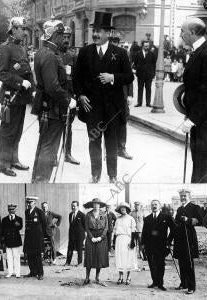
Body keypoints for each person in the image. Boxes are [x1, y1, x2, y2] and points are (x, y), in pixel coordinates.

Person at [73, 11, 134, 183]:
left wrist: (113, 77)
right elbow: (76, 78)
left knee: (112, 142)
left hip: (113, 108)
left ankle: (113, 175)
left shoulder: (120, 53)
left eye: (99, 31)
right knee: (94, 141)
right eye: (94, 30)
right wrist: (80, 95)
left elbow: (129, 77)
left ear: (109, 33)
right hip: (92, 107)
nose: (95, 34)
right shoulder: (85, 52)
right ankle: (95, 174)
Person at [180, 17, 207, 183]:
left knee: (203, 169)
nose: (181, 35)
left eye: (182, 31)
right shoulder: (198, 52)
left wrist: (192, 119)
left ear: (192, 32)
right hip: (199, 121)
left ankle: (203, 205)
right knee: (197, 166)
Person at [31, 18, 77, 183]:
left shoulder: (43, 52)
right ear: (53, 36)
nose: (62, 37)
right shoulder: (51, 56)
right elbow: (52, 86)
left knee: (44, 144)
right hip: (52, 108)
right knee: (50, 147)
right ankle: (41, 180)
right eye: (59, 34)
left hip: (46, 106)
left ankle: (37, 179)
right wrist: (68, 100)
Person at [0, 17, 34, 177]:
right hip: (9, 97)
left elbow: (27, 71)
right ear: (13, 29)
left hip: (21, 97)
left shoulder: (22, 48)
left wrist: (32, 88)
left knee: (17, 130)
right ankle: (3, 164)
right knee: (8, 131)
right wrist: (19, 82)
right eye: (22, 29)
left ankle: (14, 159)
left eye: (25, 29)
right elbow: (0, 72)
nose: (25, 32)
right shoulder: (5, 48)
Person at [173, 189, 203, 294]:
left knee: (189, 263)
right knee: (181, 262)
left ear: (189, 196)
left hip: (189, 238)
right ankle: (184, 283)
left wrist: (188, 220)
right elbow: (176, 223)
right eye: (181, 196)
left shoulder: (195, 207)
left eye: (185, 196)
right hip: (179, 239)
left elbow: (200, 221)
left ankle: (191, 286)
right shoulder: (179, 209)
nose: (183, 198)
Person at [142, 200, 175, 291]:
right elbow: (144, 232)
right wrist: (143, 245)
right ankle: (154, 282)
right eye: (152, 205)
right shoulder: (147, 218)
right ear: (150, 207)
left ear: (159, 206)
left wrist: (169, 241)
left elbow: (173, 229)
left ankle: (160, 283)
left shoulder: (166, 217)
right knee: (151, 264)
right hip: (150, 245)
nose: (154, 206)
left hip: (161, 245)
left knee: (160, 264)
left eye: (156, 205)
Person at [109, 33, 133, 160]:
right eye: (112, 41)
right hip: (108, 94)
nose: (115, 43)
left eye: (117, 41)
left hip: (122, 94)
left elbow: (129, 76)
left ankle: (121, 148)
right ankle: (110, 149)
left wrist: (130, 94)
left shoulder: (124, 55)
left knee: (123, 121)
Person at [59, 26, 80, 165]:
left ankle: (67, 153)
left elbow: (77, 76)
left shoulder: (72, 56)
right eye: (64, 37)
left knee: (68, 126)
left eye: (68, 37)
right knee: (52, 127)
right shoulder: (53, 54)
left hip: (69, 95)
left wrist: (76, 95)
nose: (66, 40)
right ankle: (52, 156)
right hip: (55, 95)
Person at [83, 198, 109, 285]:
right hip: (91, 237)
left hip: (101, 238)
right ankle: (87, 277)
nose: (96, 205)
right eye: (94, 204)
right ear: (92, 205)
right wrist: (91, 237)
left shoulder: (104, 214)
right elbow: (86, 227)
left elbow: (106, 227)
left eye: (97, 204)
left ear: (100, 205)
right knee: (89, 257)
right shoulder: (88, 215)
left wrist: (101, 237)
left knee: (99, 257)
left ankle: (97, 277)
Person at [23, 196, 46, 280]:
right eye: (28, 202)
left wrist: (40, 235)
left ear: (35, 203)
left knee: (37, 256)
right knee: (30, 255)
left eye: (30, 202)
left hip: (37, 238)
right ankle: (33, 272)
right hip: (29, 237)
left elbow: (44, 224)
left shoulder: (39, 212)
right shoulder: (26, 212)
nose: (29, 204)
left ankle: (40, 273)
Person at [113, 202, 136, 285]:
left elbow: (133, 231)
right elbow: (115, 231)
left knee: (128, 258)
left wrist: (132, 241)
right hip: (119, 239)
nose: (122, 209)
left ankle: (128, 277)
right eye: (121, 208)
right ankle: (120, 277)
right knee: (120, 258)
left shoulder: (131, 219)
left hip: (128, 239)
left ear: (127, 209)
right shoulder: (118, 219)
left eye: (124, 208)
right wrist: (113, 242)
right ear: (119, 209)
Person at [1, 204, 23, 278]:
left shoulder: (19, 219)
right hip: (8, 241)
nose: (11, 211)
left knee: (16, 257)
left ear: (15, 210)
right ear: (8, 210)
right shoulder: (4, 219)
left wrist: (14, 220)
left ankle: (17, 272)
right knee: (9, 258)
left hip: (15, 241)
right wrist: (3, 241)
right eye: (10, 209)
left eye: (12, 209)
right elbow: (2, 231)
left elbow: (19, 227)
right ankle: (10, 272)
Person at [133, 41, 156, 107]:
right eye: (145, 46)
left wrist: (153, 74)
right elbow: (135, 62)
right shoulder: (138, 54)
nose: (147, 47)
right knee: (140, 88)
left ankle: (148, 103)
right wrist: (138, 70)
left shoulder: (152, 54)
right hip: (140, 74)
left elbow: (153, 64)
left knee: (148, 88)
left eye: (148, 46)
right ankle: (139, 103)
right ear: (143, 46)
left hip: (149, 75)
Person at [65, 201, 86, 266]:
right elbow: (71, 225)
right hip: (72, 235)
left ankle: (79, 263)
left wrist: (84, 235)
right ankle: (68, 262)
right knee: (70, 249)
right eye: (72, 206)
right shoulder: (70, 214)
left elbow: (85, 226)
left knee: (79, 249)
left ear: (77, 206)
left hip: (79, 235)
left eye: (74, 206)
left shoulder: (82, 215)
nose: (73, 207)